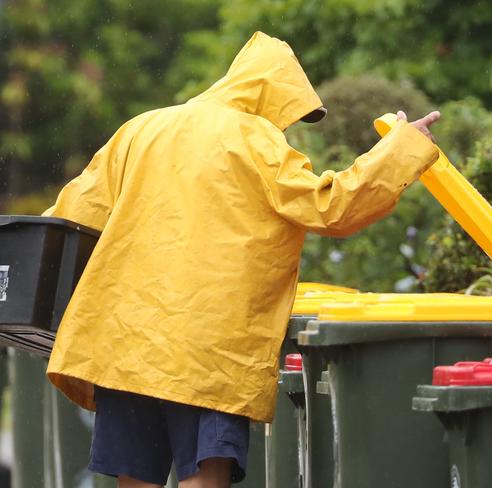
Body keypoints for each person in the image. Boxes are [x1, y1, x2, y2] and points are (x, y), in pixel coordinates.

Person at [43, 31, 440, 488]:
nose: (287, 125)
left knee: (134, 479)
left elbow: (71, 217)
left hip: (125, 341)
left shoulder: (142, 129)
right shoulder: (256, 141)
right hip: (208, 348)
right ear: (273, 93)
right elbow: (330, 207)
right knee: (204, 477)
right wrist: (402, 149)